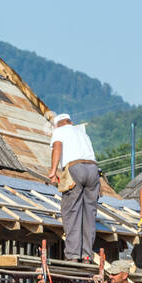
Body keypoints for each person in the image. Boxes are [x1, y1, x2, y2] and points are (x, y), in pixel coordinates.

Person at [47, 112, 100, 261]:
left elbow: (57, 146)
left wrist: (53, 171)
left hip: (75, 169)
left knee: (71, 211)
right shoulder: (82, 133)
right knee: (89, 214)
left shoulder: (59, 131)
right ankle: (86, 255)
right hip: (93, 170)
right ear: (70, 121)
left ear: (58, 124)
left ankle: (72, 255)